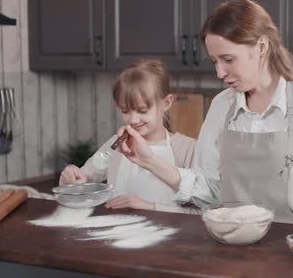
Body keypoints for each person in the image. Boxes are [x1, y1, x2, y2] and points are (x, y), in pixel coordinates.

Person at [114, 0, 293, 225]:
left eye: (228, 59)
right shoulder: (221, 106)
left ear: (261, 47)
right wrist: (149, 160)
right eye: (215, 61)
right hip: (231, 252)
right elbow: (210, 191)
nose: (219, 73)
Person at [59, 59, 198, 214]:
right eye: (125, 111)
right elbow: (83, 182)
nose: (133, 120)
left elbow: (202, 213)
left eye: (142, 110)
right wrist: (71, 179)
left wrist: (150, 207)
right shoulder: (115, 144)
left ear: (166, 103)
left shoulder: (187, 149)